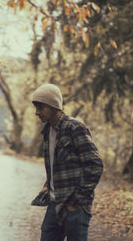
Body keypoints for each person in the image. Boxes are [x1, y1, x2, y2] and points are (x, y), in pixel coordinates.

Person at [30, 83, 103, 241]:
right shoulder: (47, 131)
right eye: (36, 108)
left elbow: (95, 165)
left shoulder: (75, 128)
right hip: (54, 204)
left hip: (75, 206)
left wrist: (78, 199)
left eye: (40, 107)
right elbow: (56, 168)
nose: (37, 113)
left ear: (54, 105)